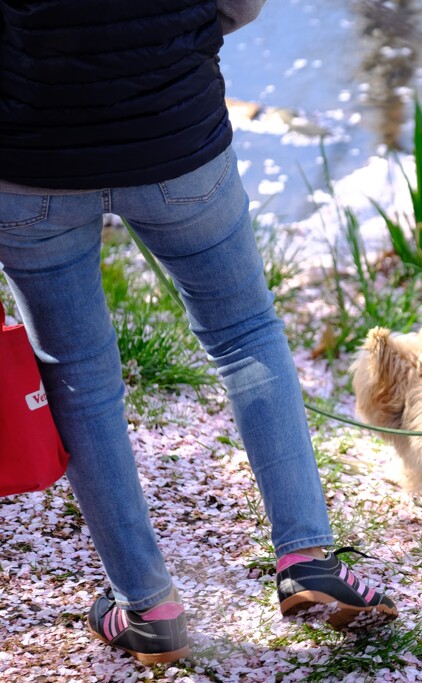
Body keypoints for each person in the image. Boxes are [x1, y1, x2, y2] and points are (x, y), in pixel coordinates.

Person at [0, 0, 397, 665]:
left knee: (77, 375)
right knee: (244, 332)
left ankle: (148, 607)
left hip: (32, 153)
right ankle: (305, 555)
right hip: (174, 129)